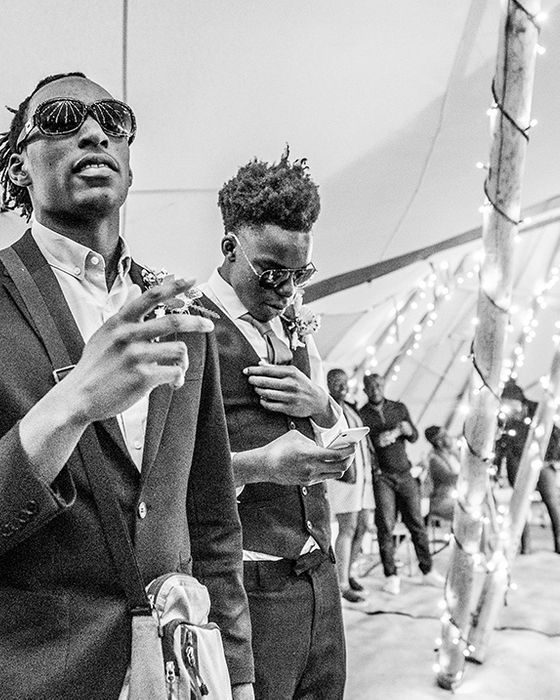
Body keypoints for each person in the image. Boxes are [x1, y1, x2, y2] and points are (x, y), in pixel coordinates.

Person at [0, 72, 254, 699]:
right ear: (19, 165)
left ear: (130, 167)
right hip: (32, 679)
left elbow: (211, 520)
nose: (92, 131)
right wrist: (68, 408)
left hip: (177, 676)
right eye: (60, 118)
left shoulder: (183, 316)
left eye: (114, 120)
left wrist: (240, 677)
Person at [199, 149, 355, 700]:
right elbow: (153, 473)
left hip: (320, 577)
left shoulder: (295, 326)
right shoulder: (188, 329)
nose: (287, 289)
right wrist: (259, 465)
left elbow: (345, 453)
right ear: (229, 247)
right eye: (271, 272)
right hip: (248, 588)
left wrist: (322, 408)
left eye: (299, 273)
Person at [359, 373, 445, 595]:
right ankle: (391, 576)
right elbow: (367, 446)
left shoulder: (398, 408)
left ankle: (427, 571)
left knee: (416, 523)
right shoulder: (362, 415)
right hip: (382, 477)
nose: (375, 388)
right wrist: (381, 440)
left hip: (405, 474)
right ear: (365, 389)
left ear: (384, 385)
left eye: (378, 384)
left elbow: (415, 436)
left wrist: (408, 430)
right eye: (370, 386)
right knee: (385, 526)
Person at [326, 368, 375, 603]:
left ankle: (348, 570)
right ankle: (340, 584)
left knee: (363, 526)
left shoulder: (351, 408)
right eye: (336, 382)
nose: (342, 386)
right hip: (344, 477)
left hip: (363, 478)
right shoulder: (327, 409)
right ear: (328, 384)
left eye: (344, 382)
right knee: (348, 528)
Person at [495, 379, 560, 554]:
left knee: (552, 502)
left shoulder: (538, 409)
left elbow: (555, 435)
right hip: (517, 462)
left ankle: (559, 543)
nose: (509, 408)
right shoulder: (504, 418)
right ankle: (523, 545)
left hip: (542, 461)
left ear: (520, 400)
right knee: (520, 504)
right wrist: (496, 466)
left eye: (511, 404)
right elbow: (500, 443)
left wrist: (551, 458)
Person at [423, 425, 460, 521]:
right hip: (442, 502)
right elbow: (449, 479)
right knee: (469, 511)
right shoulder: (434, 459)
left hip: (458, 497)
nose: (450, 437)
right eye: (445, 435)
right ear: (439, 442)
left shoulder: (452, 454)